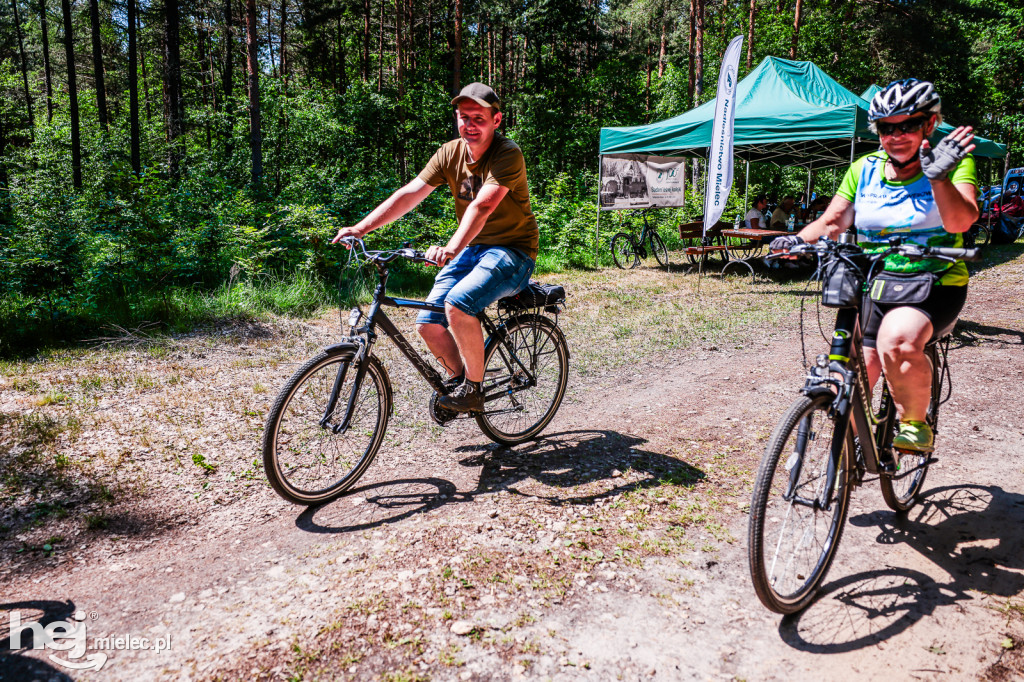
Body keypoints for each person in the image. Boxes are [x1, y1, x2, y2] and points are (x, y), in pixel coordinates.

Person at [771, 78, 978, 453]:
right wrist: (798, 240)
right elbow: (833, 221)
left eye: (908, 125)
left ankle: (914, 422)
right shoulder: (864, 168)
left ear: (929, 124)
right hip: (876, 281)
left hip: (935, 281)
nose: (896, 135)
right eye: (886, 128)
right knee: (848, 377)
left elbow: (960, 222)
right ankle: (858, 453)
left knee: (896, 342)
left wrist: (939, 179)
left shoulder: (955, 163)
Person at [332, 82, 538, 414]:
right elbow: (411, 193)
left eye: (478, 118)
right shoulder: (449, 153)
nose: (469, 125)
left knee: (458, 304)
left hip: (512, 250)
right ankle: (461, 383)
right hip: (473, 249)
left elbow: (482, 207)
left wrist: (452, 247)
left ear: (496, 120)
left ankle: (474, 389)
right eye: (463, 117)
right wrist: (361, 228)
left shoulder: (507, 154)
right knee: (428, 322)